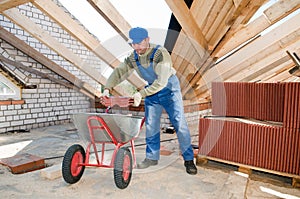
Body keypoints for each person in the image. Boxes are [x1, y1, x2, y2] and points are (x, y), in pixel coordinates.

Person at [103, 27, 197, 175]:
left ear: (147, 39)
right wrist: (107, 88)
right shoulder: (133, 57)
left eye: (139, 43)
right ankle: (152, 157)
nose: (136, 47)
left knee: (179, 123)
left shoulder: (160, 54)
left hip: (169, 89)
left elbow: (161, 82)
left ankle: (189, 160)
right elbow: (119, 71)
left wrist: (141, 94)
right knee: (151, 125)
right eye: (133, 44)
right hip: (152, 92)